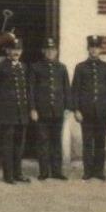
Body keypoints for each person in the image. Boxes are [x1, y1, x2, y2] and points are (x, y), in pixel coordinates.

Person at [70, 35, 106, 181]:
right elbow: (75, 90)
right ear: (88, 49)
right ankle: (88, 171)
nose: (94, 50)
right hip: (86, 112)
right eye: (92, 47)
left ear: (100, 49)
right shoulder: (80, 67)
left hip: (102, 111)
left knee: (100, 142)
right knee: (88, 142)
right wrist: (76, 110)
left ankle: (99, 171)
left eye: (97, 47)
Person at [0, 38, 30, 184]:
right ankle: (8, 175)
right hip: (6, 114)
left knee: (19, 145)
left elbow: (26, 90)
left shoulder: (23, 67)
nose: (15, 52)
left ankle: (18, 173)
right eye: (12, 50)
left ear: (21, 51)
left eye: (18, 50)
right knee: (7, 145)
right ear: (7, 51)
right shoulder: (0, 67)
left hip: (21, 113)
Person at [28, 37, 70, 181]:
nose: (50, 52)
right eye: (48, 50)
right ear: (43, 51)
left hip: (57, 110)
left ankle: (57, 171)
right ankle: (44, 171)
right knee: (43, 141)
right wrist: (33, 108)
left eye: (53, 50)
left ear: (56, 51)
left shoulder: (62, 68)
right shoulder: (36, 67)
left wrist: (67, 108)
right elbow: (31, 90)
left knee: (56, 142)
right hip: (42, 111)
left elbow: (66, 89)